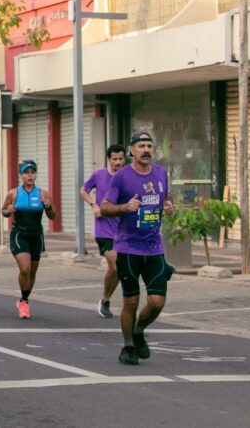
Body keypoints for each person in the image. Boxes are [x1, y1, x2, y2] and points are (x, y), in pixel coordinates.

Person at [101, 132, 174, 366]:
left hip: (154, 248)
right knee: (130, 302)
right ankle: (128, 346)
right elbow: (105, 208)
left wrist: (168, 205)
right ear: (131, 150)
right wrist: (125, 206)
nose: (146, 149)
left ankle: (139, 330)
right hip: (128, 248)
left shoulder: (161, 173)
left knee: (157, 302)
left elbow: (166, 197)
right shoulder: (122, 177)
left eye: (149, 145)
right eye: (141, 145)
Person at [1, 159, 56, 319]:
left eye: (32, 172)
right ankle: (24, 303)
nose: (30, 175)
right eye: (26, 173)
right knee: (25, 269)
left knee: (32, 272)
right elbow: (4, 211)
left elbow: (53, 216)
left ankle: (23, 299)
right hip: (19, 234)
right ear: (21, 175)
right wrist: (8, 210)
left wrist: (49, 207)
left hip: (36, 235)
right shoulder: (13, 193)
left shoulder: (42, 193)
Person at [80, 144, 126, 318]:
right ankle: (106, 300)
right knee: (115, 265)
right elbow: (83, 190)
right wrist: (93, 205)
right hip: (104, 230)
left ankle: (106, 300)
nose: (118, 162)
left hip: (123, 229)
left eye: (121, 159)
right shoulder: (99, 175)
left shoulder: (128, 176)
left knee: (119, 269)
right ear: (109, 159)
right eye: (114, 159)